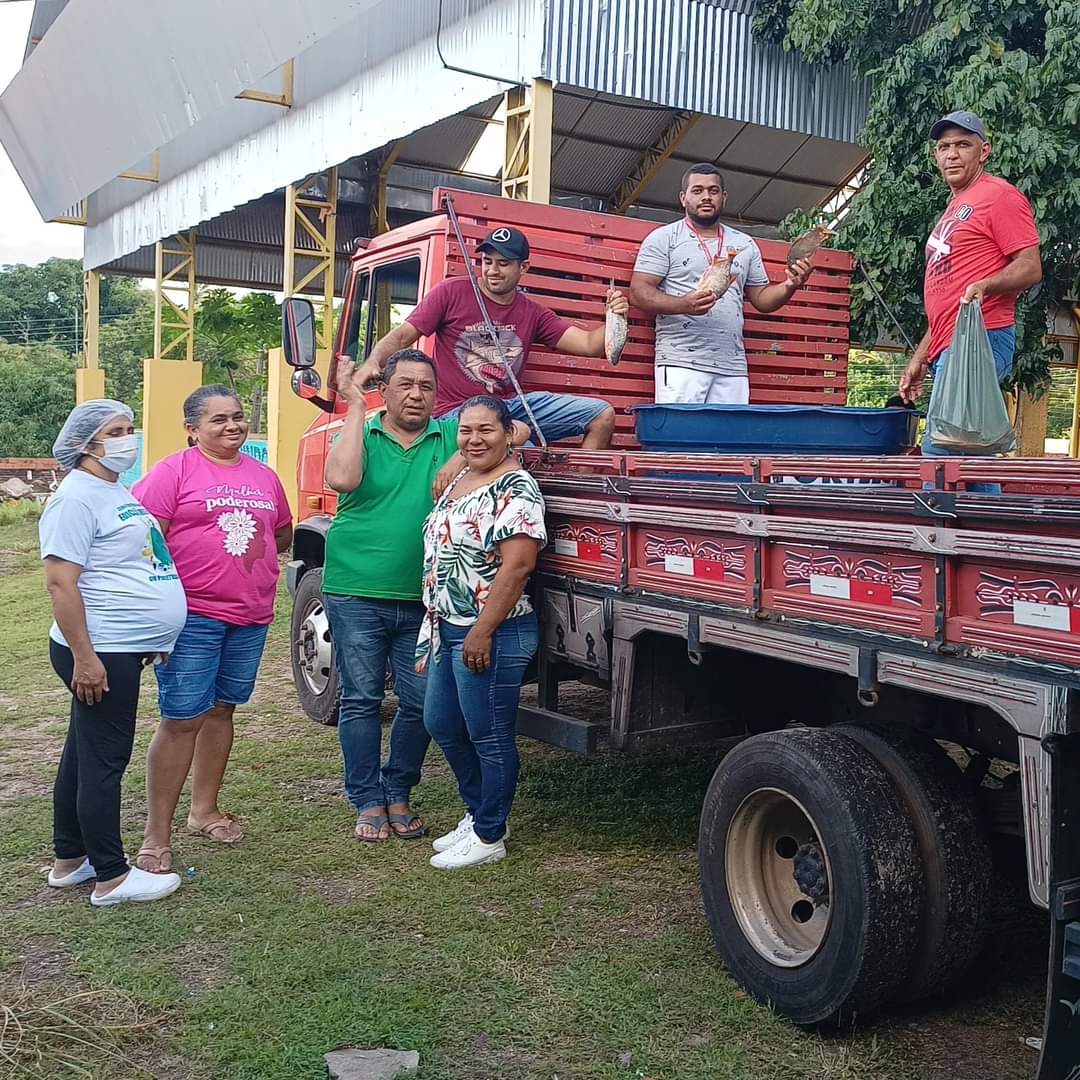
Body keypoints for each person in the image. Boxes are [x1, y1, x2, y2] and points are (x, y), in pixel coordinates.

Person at [323, 349, 531, 842]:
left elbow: (515, 430)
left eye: (426, 386)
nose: (416, 394)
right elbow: (342, 479)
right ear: (385, 390)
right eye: (404, 385)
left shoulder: (452, 436)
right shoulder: (361, 431)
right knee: (362, 699)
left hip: (425, 602)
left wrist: (459, 452)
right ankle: (367, 798)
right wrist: (354, 405)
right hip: (356, 589)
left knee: (420, 706)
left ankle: (398, 789)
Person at [131, 386, 293, 873]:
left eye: (239, 417)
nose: (232, 426)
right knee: (182, 719)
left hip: (250, 614)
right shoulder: (172, 472)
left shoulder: (263, 475)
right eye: (219, 420)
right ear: (192, 429)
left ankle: (203, 811)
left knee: (222, 710)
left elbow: (280, 531)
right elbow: (143, 535)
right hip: (192, 615)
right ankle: (156, 835)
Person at [40, 400, 186, 906]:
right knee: (105, 759)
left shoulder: (111, 490)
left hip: (123, 646)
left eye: (129, 428)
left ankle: (69, 859)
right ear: (86, 444)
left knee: (82, 753)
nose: (129, 438)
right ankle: (111, 876)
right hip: (100, 650)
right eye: (116, 432)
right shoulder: (75, 499)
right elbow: (62, 583)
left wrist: (158, 634)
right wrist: (85, 657)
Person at [417, 395, 546, 870]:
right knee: (443, 724)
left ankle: (490, 834)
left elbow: (518, 566)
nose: (474, 439)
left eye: (486, 430)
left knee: (489, 735)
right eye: (465, 430)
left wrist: (482, 630)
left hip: (493, 630)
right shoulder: (461, 480)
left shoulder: (517, 488)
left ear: (510, 433)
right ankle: (481, 813)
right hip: (447, 626)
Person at [353, 226, 628, 449]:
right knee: (520, 447)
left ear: (524, 268)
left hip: (509, 407)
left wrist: (614, 316)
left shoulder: (533, 313)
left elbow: (591, 345)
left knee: (602, 414)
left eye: (503, 264)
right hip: (458, 412)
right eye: (487, 262)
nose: (492, 271)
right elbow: (403, 335)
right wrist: (372, 361)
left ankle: (577, 495)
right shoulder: (451, 292)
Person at [899, 111, 1042, 432]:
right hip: (949, 345)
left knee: (943, 453)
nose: (951, 154)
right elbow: (946, 300)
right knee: (967, 456)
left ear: (984, 152)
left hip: (980, 339)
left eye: (963, 145)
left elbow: (1031, 267)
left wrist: (985, 285)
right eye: (943, 147)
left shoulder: (999, 196)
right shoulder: (955, 207)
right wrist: (921, 356)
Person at [630, 163, 814, 404]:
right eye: (697, 191)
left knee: (728, 441)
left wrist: (790, 285)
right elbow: (638, 292)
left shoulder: (745, 244)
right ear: (683, 198)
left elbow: (762, 299)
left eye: (713, 191)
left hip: (733, 367)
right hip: (680, 363)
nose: (706, 197)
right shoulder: (664, 238)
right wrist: (682, 304)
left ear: (723, 197)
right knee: (680, 440)